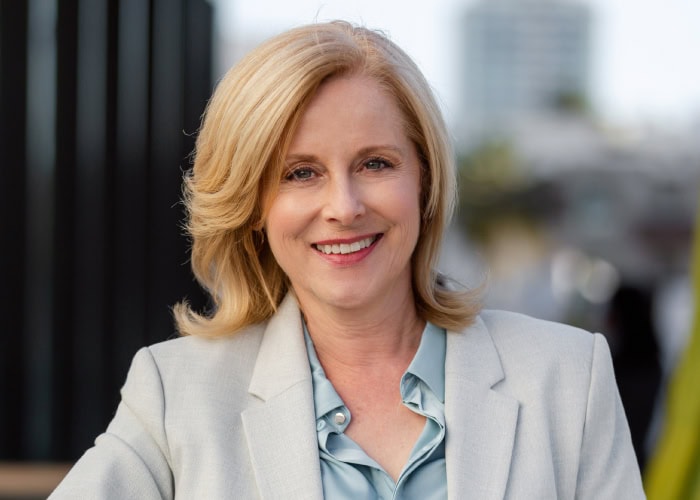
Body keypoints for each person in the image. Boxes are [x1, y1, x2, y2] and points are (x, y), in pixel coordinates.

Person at [51, 21, 644, 499]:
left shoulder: (569, 377)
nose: (344, 206)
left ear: (425, 180)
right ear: (253, 205)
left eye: (376, 164)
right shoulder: (175, 393)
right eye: (300, 173)